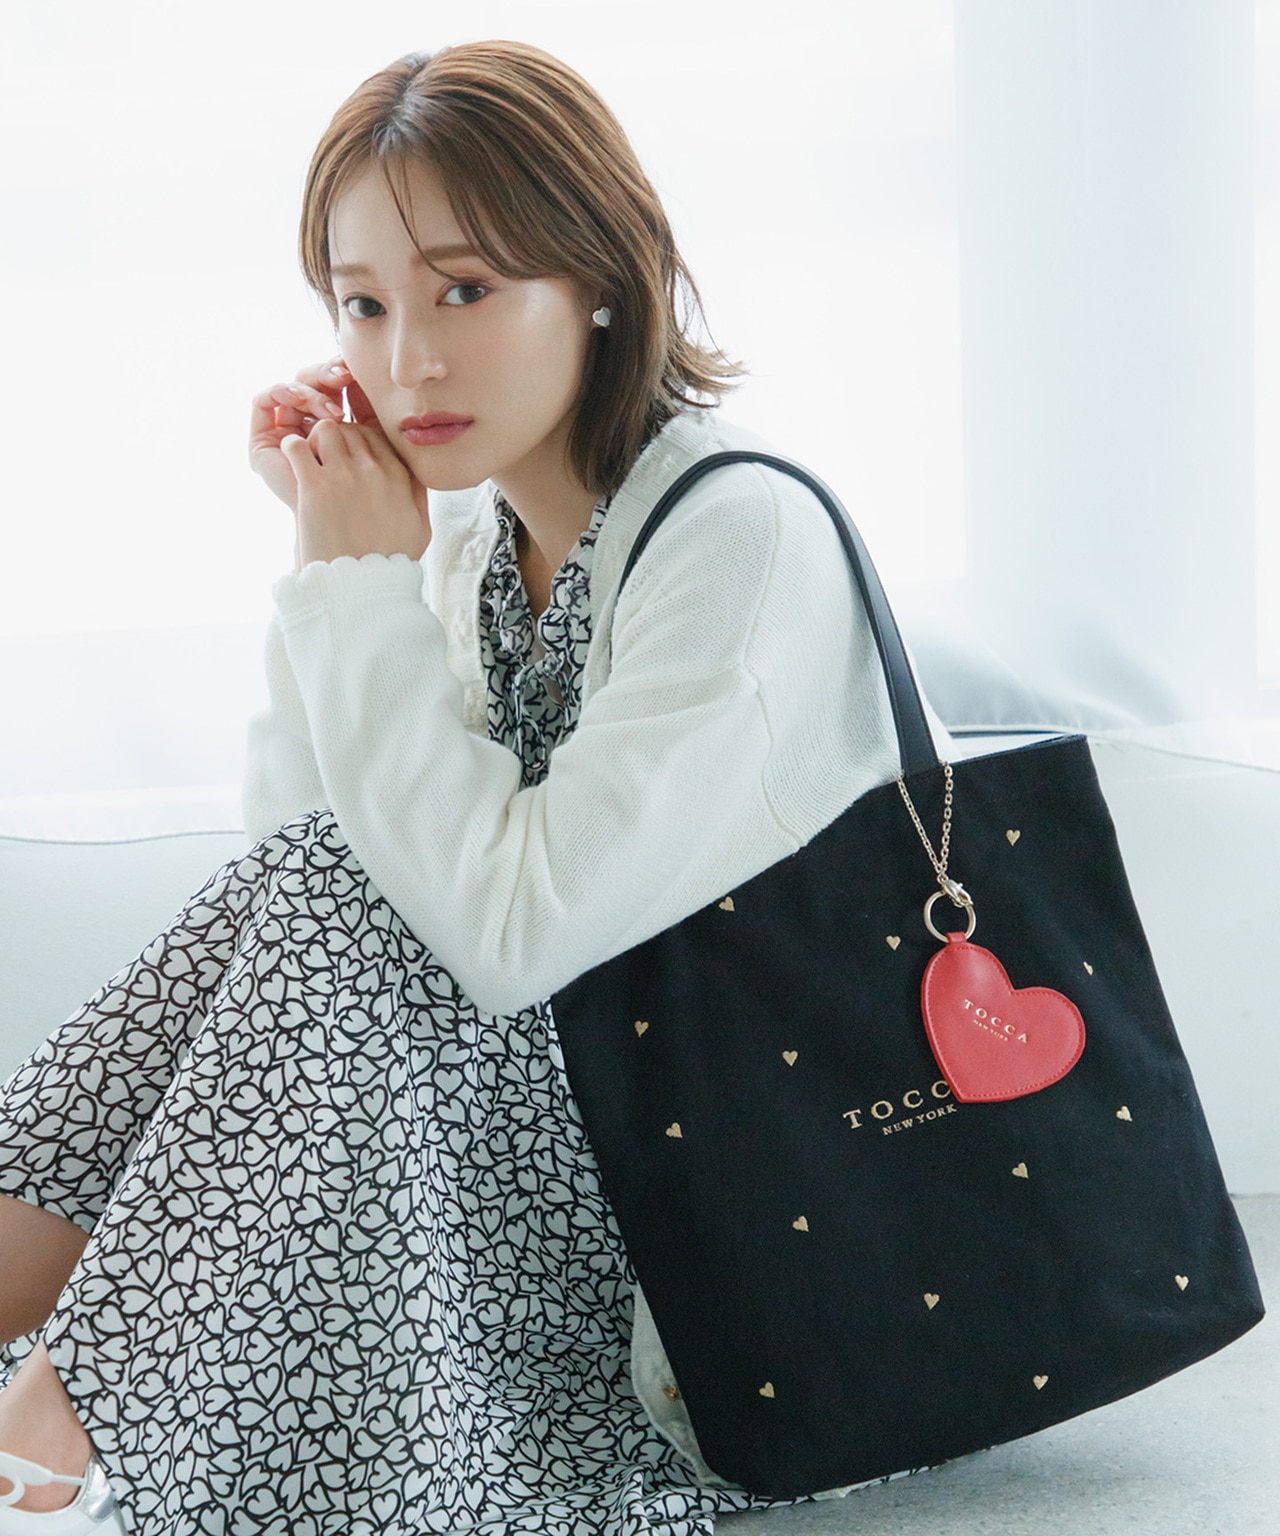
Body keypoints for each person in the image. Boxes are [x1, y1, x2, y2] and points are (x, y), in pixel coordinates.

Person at [0, 38, 948, 1536]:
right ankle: (46, 1403)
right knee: (325, 884)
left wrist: (354, 594)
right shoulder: (467, 547)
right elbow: (304, 874)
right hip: (540, 1153)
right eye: (364, 305)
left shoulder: (740, 536)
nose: (408, 364)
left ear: (602, 281)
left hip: (753, 1218)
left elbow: (506, 937)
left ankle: (54, 1431)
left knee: (346, 893)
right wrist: (325, 570)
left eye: (466, 289)